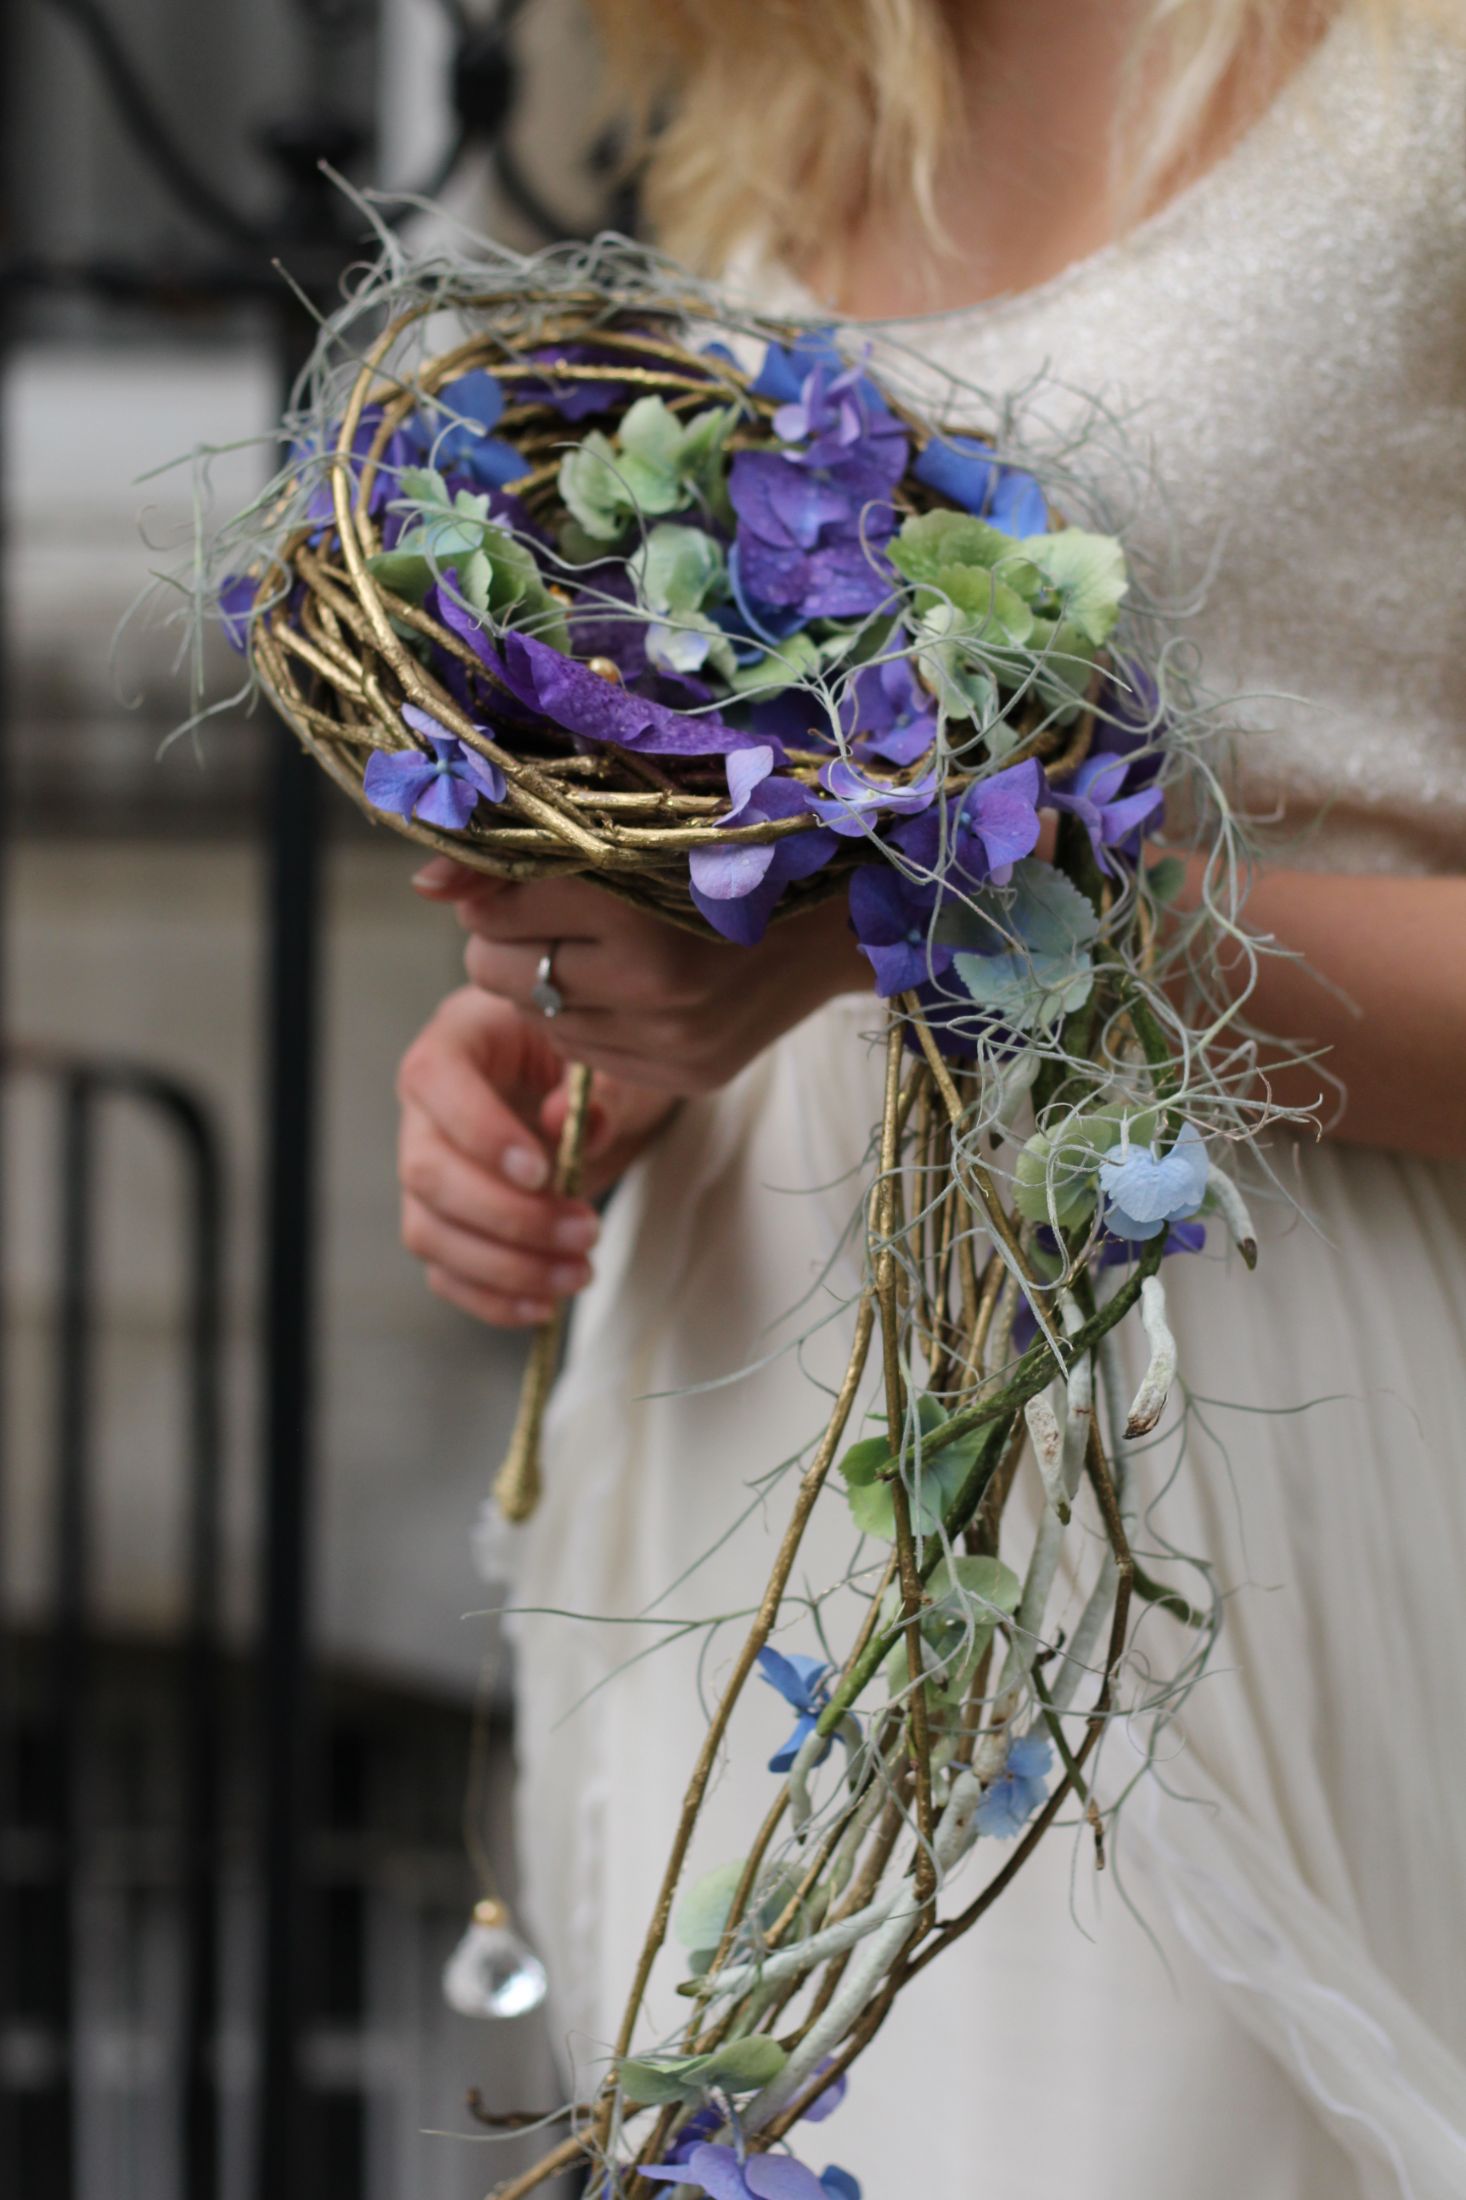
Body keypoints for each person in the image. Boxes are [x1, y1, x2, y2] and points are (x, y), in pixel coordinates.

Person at [393, 4, 1466, 2192]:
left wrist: (962, 907)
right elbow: (753, 874)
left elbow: (892, 884)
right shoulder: (775, 80)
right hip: (741, 1449)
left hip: (1211, 1456)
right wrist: (563, 1030)